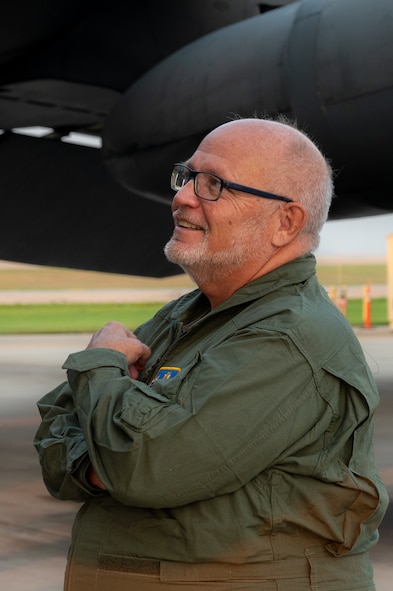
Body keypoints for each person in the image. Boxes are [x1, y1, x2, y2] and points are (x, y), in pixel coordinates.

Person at [34, 116, 388, 591]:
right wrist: (101, 461)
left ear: (286, 223)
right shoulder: (189, 314)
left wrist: (101, 365)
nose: (181, 196)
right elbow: (56, 424)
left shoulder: (290, 337)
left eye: (214, 185)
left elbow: (142, 467)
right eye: (187, 176)